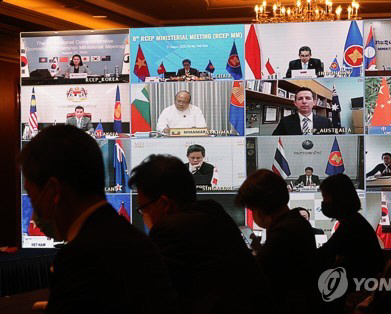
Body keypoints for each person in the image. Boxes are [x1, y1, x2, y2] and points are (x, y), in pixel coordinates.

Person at [18, 125, 178, 313]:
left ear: (54, 191)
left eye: (30, 193)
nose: (33, 209)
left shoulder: (80, 258)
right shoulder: (134, 240)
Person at [128, 155, 275, 313]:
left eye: (143, 209)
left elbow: (150, 293)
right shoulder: (214, 213)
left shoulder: (171, 230)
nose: (143, 215)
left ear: (164, 204)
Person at [235, 169, 321, 313]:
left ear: (262, 206)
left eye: (252, 208)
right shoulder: (296, 223)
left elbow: (260, 274)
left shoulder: (284, 231)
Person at [318, 174, 384, 284]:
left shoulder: (351, 225)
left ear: (338, 198)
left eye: (325, 197)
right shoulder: (353, 220)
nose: (324, 202)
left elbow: (325, 253)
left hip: (359, 289)